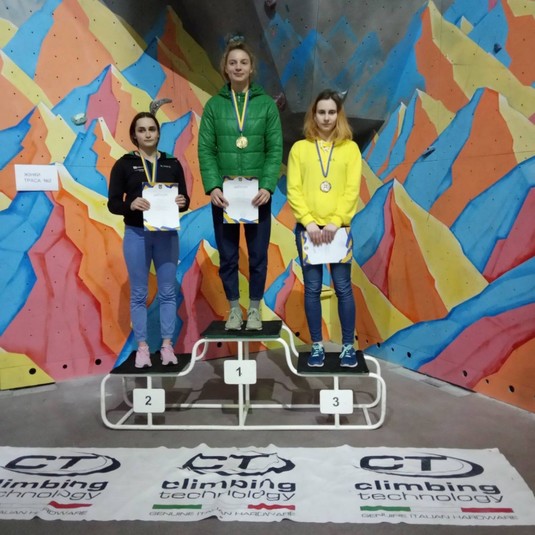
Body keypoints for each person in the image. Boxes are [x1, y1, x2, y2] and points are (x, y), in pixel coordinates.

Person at [198, 37, 283, 331]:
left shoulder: (266, 105)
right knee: (228, 256)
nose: (238, 67)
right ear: (225, 68)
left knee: (258, 256)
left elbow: (274, 149)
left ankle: (255, 310)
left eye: (243, 62)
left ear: (251, 68)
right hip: (225, 197)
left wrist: (267, 186)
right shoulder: (213, 106)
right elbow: (206, 149)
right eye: (232, 62)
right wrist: (213, 187)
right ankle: (234, 310)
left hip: (258, 196)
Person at [108, 112, 190, 368]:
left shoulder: (172, 163)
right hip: (137, 234)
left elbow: (184, 199)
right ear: (134, 135)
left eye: (152, 129)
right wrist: (130, 204)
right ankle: (142, 347)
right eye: (141, 130)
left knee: (167, 292)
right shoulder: (124, 164)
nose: (147, 134)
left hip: (166, 234)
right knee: (139, 293)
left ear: (158, 133)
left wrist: (183, 201)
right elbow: (113, 203)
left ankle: (167, 345)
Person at [287, 89, 362, 367]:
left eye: (331, 112)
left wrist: (336, 221)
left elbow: (352, 189)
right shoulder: (299, 149)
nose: (327, 117)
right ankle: (317, 346)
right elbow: (294, 189)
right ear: (313, 115)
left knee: (343, 287)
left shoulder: (350, 149)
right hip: (308, 231)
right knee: (312, 288)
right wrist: (308, 222)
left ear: (338, 115)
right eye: (321, 112)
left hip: (338, 230)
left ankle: (347, 347)